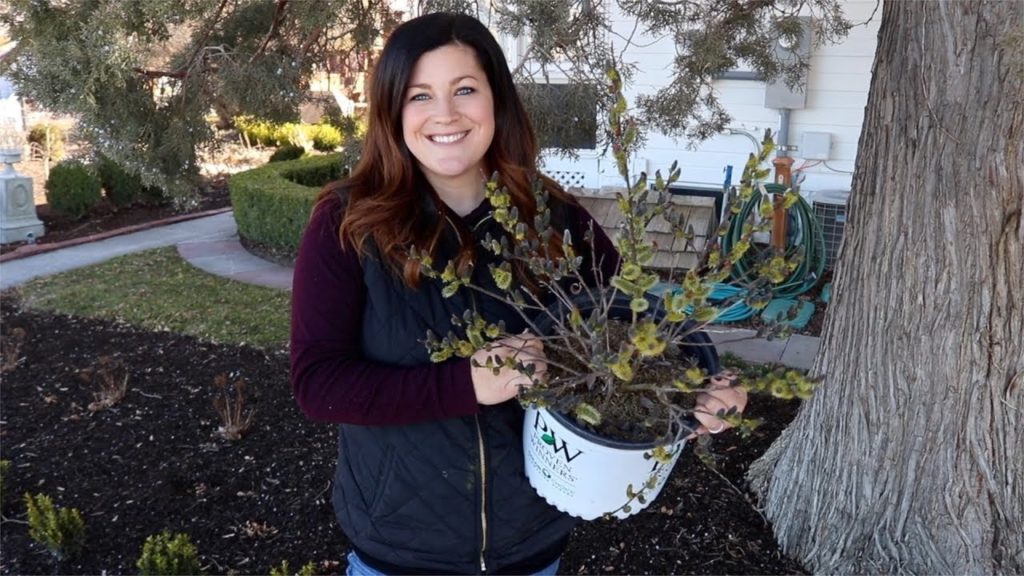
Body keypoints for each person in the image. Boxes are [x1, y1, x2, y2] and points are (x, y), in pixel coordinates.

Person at [290, 11, 746, 575]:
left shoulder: (553, 217)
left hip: (529, 542)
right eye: (419, 96)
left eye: (464, 89)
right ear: (391, 111)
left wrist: (699, 391)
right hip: (400, 547)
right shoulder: (348, 225)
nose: (446, 115)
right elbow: (318, 385)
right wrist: (465, 383)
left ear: (496, 100)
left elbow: (634, 331)